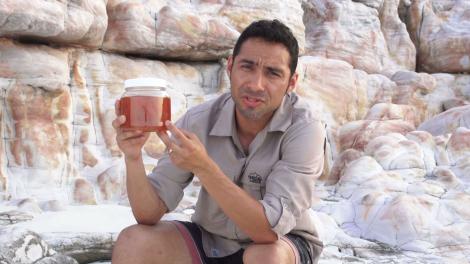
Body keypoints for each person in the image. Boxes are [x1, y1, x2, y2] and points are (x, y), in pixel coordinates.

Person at [111, 19, 325, 264]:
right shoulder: (199, 120)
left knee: (266, 257)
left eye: (273, 73)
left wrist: (204, 167)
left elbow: (267, 232)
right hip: (211, 239)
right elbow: (148, 214)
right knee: (134, 241)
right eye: (247, 67)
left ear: (292, 83)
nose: (256, 84)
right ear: (231, 67)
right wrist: (133, 156)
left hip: (283, 242)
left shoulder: (305, 129)